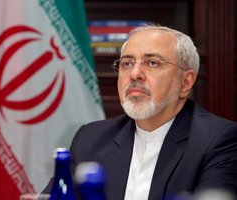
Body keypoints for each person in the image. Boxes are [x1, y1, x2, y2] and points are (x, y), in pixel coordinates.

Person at [43, 24, 237, 200]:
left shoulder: (218, 141)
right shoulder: (90, 139)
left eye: (152, 63)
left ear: (185, 83)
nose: (135, 74)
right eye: (127, 63)